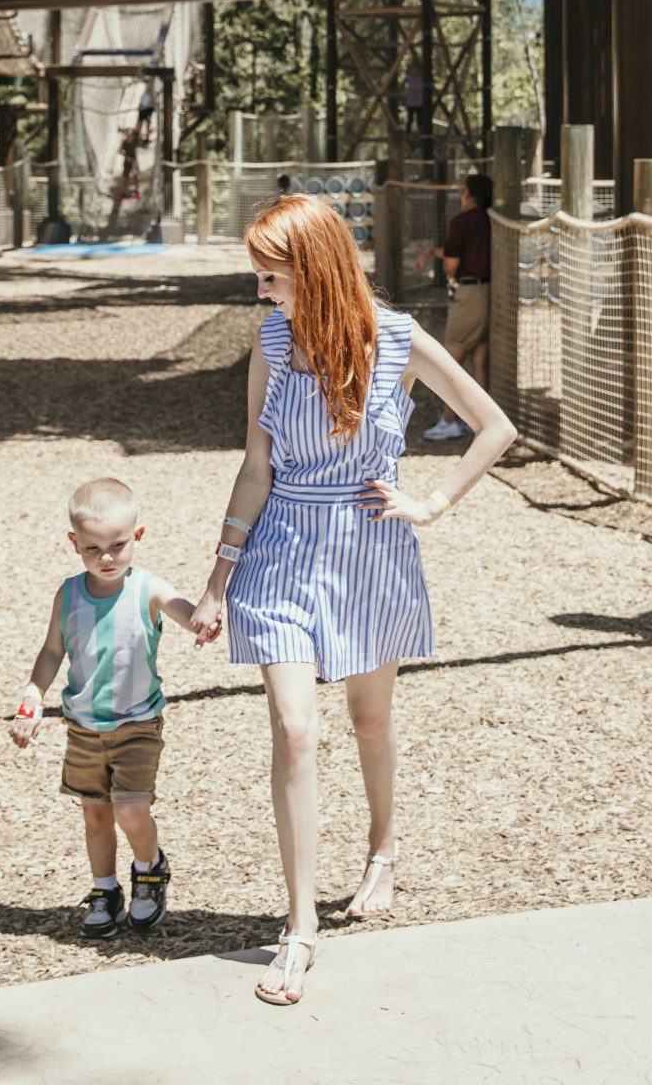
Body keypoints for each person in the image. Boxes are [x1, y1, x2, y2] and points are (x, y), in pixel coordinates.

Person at [190, 194, 516, 1005]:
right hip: (280, 552)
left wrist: (431, 504)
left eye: (272, 278)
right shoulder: (270, 337)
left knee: (369, 720)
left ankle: (382, 850)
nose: (263, 293)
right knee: (294, 730)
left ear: (315, 268)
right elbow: (255, 468)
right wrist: (218, 580)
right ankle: (298, 929)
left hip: (370, 551)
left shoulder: (398, 337)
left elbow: (494, 427)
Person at [10, 477, 196, 939]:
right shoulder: (69, 594)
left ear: (138, 536)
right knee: (95, 813)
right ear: (74, 543)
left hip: (137, 723)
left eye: (117, 545)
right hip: (84, 726)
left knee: (130, 811)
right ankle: (104, 890)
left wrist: (207, 616)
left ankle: (150, 870)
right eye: (93, 548)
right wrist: (33, 696)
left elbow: (188, 612)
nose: (106, 557)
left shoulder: (147, 589)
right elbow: (53, 651)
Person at [411, 172, 493, 442]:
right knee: (480, 359)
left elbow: (452, 265)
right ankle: (482, 421)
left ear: (470, 195)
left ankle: (449, 421)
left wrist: (445, 264)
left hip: (468, 294)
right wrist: (432, 251)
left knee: (450, 362)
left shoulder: (461, 222)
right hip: (489, 293)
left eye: (462, 191)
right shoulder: (490, 220)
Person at [403, 62, 424, 134]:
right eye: (412, 69)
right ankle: (408, 132)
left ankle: (421, 132)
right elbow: (402, 84)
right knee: (410, 118)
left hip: (419, 102)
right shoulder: (409, 77)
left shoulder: (421, 78)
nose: (414, 71)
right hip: (411, 102)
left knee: (420, 119)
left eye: (415, 69)